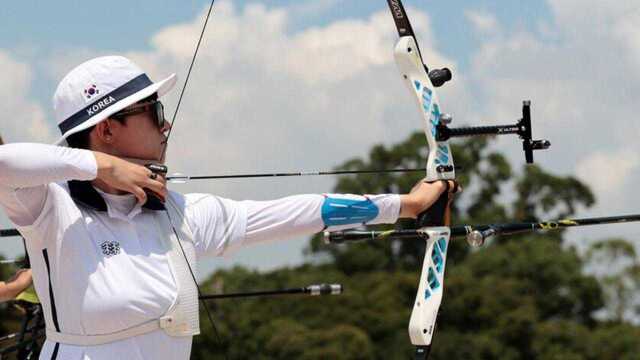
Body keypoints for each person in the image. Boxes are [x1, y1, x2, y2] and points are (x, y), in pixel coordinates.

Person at [0, 56, 458, 360]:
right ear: (106, 131)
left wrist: (405, 204)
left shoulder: (180, 212)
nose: (167, 123)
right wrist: (102, 167)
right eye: (153, 112)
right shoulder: (49, 206)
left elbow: (299, 212)